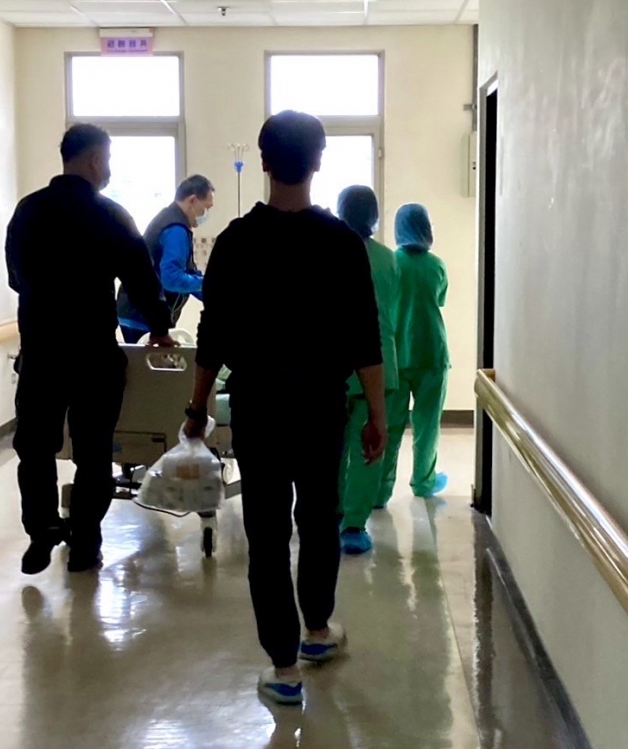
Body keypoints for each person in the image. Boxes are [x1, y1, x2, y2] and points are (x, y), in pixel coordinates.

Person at [183, 111, 388, 705]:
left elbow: (212, 337)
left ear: (265, 162)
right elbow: (365, 339)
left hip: (259, 406)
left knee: (268, 533)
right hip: (322, 405)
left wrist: (197, 408)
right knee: (320, 519)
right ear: (318, 161)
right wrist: (376, 415)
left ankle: (284, 667)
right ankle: (317, 631)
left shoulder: (236, 243)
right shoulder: (343, 244)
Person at [6, 124, 174, 576]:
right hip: (93, 355)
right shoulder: (110, 215)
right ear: (96, 160)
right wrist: (160, 327)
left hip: (41, 352)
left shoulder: (28, 211)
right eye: (108, 159)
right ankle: (84, 544)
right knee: (94, 453)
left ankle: (42, 530)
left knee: (35, 447)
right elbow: (141, 280)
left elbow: (15, 278)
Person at [336, 185, 400, 556]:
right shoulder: (388, 259)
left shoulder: (328, 253)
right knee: (369, 449)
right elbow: (390, 309)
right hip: (379, 364)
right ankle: (354, 526)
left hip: (334, 366)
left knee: (331, 447)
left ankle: (332, 513)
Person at [380, 203, 450, 502]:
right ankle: (423, 482)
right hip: (431, 352)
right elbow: (440, 299)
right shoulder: (436, 266)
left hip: (396, 354)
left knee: (390, 425)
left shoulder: (390, 263)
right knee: (427, 424)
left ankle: (381, 490)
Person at [116, 174, 215, 343]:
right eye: (206, 208)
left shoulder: (168, 218)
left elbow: (187, 272)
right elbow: (172, 278)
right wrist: (207, 283)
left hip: (134, 309)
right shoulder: (176, 229)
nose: (206, 214)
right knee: (154, 360)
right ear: (192, 200)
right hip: (143, 317)